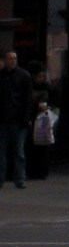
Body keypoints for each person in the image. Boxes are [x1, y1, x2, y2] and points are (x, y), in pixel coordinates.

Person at [0, 49, 32, 189]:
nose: (12, 61)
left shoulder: (24, 76)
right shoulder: (1, 76)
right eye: (10, 58)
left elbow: (28, 99)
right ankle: (1, 178)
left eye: (15, 58)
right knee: (1, 152)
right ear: (5, 61)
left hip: (18, 120)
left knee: (19, 151)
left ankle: (19, 179)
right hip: (3, 120)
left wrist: (26, 118)